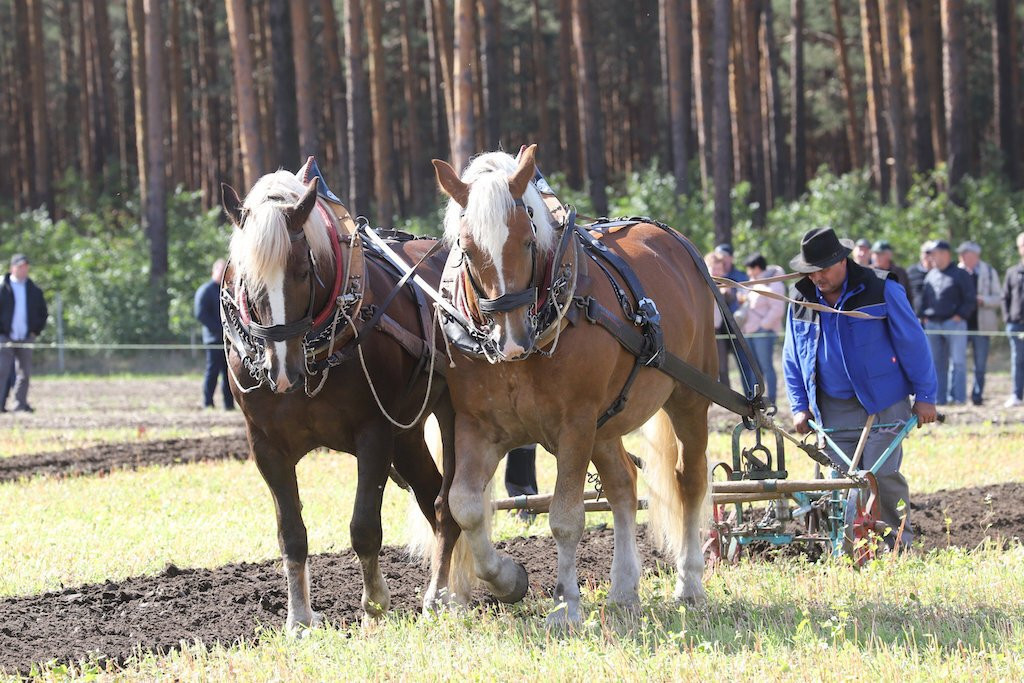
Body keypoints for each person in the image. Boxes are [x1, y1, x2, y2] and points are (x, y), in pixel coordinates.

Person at [783, 227, 937, 549]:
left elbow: (913, 342)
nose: (817, 278)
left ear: (843, 260)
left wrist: (925, 396)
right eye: (811, 271)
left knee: (881, 478)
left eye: (823, 269)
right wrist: (799, 404)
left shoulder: (881, 289)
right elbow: (792, 355)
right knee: (839, 484)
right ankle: (845, 550)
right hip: (831, 405)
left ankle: (896, 547)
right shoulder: (800, 298)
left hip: (882, 402)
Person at [917, 240, 976, 405]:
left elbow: (970, 299)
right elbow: (924, 299)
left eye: (934, 253)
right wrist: (923, 316)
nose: (931, 257)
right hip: (933, 325)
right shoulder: (931, 275)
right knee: (936, 364)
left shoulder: (960, 274)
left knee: (958, 362)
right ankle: (939, 399)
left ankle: (958, 398)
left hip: (954, 323)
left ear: (945, 254)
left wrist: (959, 316)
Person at [0, 254, 48, 412]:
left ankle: (20, 405)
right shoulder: (2, 287)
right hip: (4, 336)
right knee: (2, 371)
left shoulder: (34, 290)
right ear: (12, 268)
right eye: (20, 266)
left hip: (26, 336)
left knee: (24, 373)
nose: (23, 269)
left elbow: (43, 313)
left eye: (26, 266)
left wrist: (34, 332)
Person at [956, 241, 1002, 406]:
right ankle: (956, 396)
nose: (962, 257)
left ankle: (977, 396)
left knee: (980, 364)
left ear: (975, 255)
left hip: (982, 326)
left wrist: (984, 300)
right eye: (961, 254)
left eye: (965, 254)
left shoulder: (988, 271)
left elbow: (999, 298)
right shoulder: (956, 272)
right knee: (957, 362)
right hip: (960, 325)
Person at [736, 252, 785, 404]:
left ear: (756, 268)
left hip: (763, 332)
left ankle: (771, 400)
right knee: (753, 368)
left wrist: (763, 326)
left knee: (766, 366)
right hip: (749, 332)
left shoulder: (773, 282)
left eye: (750, 268)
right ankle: (755, 400)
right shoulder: (752, 283)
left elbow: (777, 308)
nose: (748, 272)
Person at [194, 259, 234, 410]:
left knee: (228, 373)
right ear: (214, 270)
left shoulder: (228, 290)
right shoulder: (206, 290)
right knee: (213, 372)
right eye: (221, 270)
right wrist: (221, 329)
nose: (224, 273)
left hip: (229, 341)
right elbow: (201, 314)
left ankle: (229, 405)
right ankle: (208, 403)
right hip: (214, 340)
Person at [713, 244, 747, 388]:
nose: (722, 259)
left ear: (731, 258)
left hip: (735, 325)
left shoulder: (740, 276)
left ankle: (750, 394)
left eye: (724, 256)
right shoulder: (711, 276)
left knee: (744, 363)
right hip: (717, 327)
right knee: (720, 366)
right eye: (719, 256)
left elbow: (744, 297)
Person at [1003, 232, 1024, 407]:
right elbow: (1005, 297)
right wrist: (1008, 319)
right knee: (1017, 359)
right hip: (1016, 324)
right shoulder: (1012, 272)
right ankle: (1017, 394)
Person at [905, 240, 935, 315]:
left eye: (932, 253)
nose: (929, 256)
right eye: (926, 252)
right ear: (921, 254)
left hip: (935, 319)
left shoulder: (942, 273)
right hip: (914, 316)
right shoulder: (911, 271)